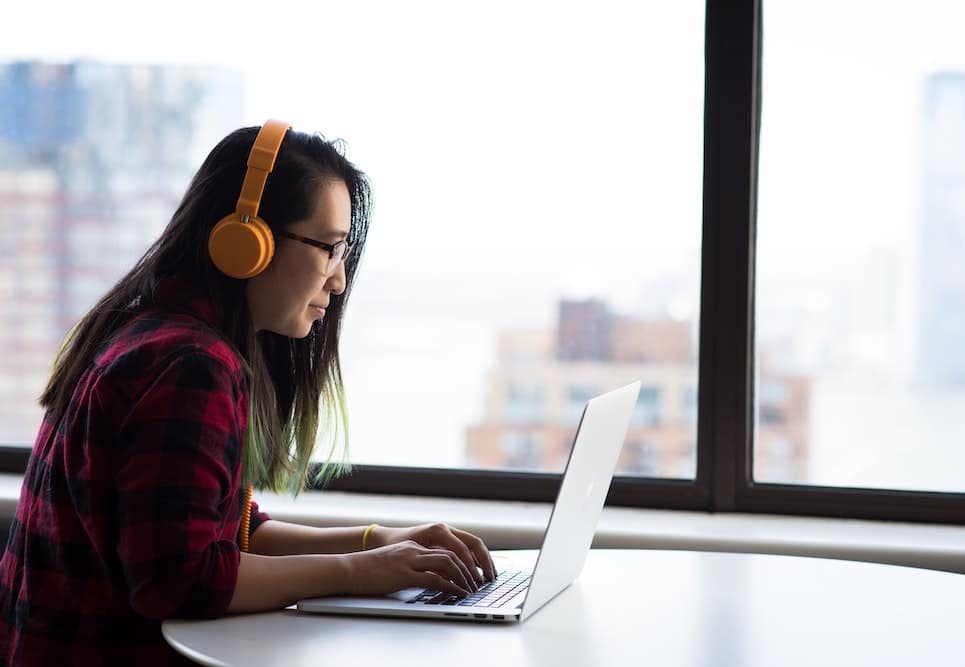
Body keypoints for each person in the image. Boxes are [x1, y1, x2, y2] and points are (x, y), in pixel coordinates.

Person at [0, 120, 497, 666]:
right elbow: (179, 579)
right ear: (246, 241)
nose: (338, 280)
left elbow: (232, 530)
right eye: (329, 249)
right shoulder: (191, 366)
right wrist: (361, 574)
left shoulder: (151, 330)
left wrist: (376, 541)